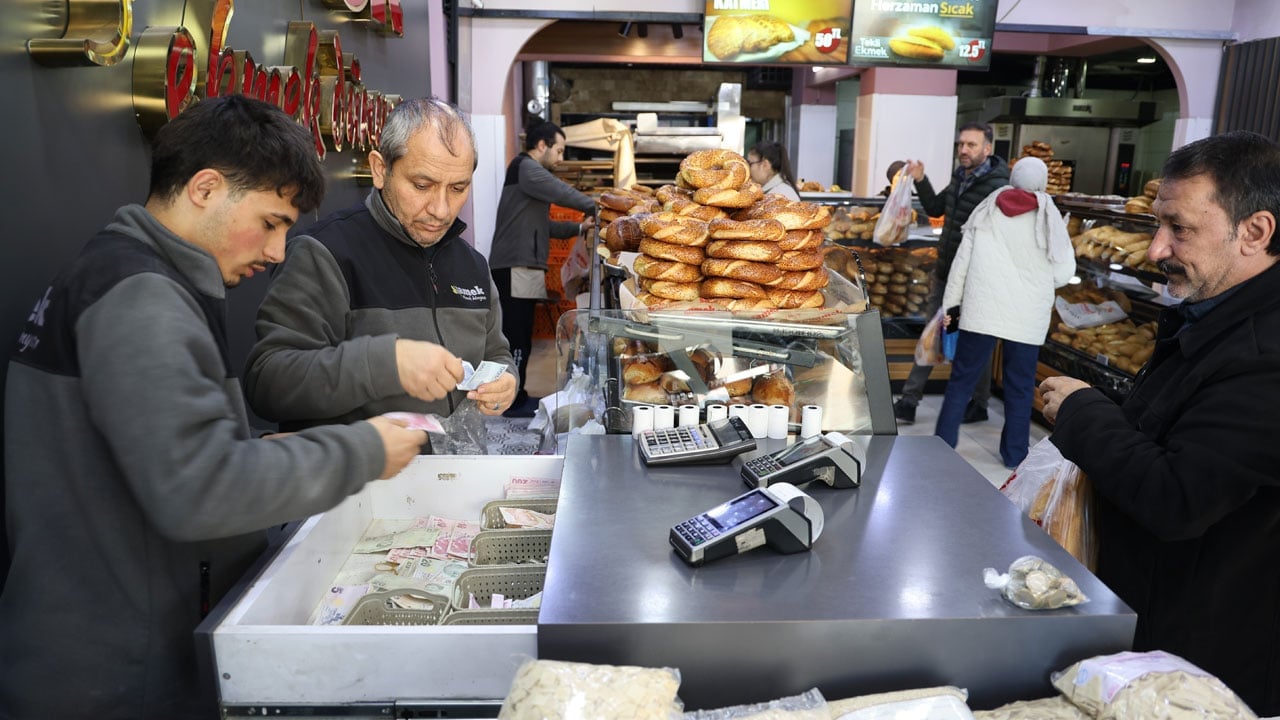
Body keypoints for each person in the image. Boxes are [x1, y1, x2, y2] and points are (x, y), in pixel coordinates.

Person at [0, 95, 427, 719]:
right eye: (272, 221)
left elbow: (129, 452)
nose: (278, 252)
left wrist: (254, 450)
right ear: (205, 188)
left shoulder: (117, 273)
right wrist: (365, 448)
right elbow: (197, 489)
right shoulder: (140, 297)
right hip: (115, 677)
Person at [1039, 131, 1280, 715]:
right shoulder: (1210, 319)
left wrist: (1082, 410)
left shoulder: (1265, 355)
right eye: (1156, 226)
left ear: (1255, 232)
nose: (1156, 250)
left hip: (1204, 670)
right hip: (1157, 630)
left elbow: (1178, 499)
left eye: (1181, 229)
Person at [245, 97, 518, 431]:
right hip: (360, 478)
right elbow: (269, 384)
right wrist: (386, 365)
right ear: (380, 169)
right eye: (422, 185)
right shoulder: (324, 252)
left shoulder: (472, 264)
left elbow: (498, 355)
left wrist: (507, 381)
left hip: (455, 475)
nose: (442, 209)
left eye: (458, 188)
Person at [933, 157, 1075, 468]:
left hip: (981, 310)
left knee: (961, 381)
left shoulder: (987, 208)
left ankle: (942, 444)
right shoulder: (1048, 214)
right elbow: (1065, 272)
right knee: (1021, 387)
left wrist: (951, 306)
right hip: (1026, 316)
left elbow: (961, 264)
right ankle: (1014, 454)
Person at [893, 122, 1010, 425]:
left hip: (975, 281)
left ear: (988, 148)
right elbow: (934, 207)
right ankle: (909, 401)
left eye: (971, 145)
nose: (964, 150)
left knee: (973, 340)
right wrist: (921, 179)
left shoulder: (999, 186)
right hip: (946, 274)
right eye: (961, 144)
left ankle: (979, 402)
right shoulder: (960, 178)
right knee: (932, 334)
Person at [488, 120, 596, 418]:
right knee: (517, 334)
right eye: (559, 151)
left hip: (526, 266)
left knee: (521, 333)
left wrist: (578, 226)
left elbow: (544, 226)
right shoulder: (526, 168)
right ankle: (512, 401)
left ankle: (517, 394)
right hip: (516, 266)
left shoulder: (527, 177)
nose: (560, 159)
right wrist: (594, 206)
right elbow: (559, 191)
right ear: (541, 146)